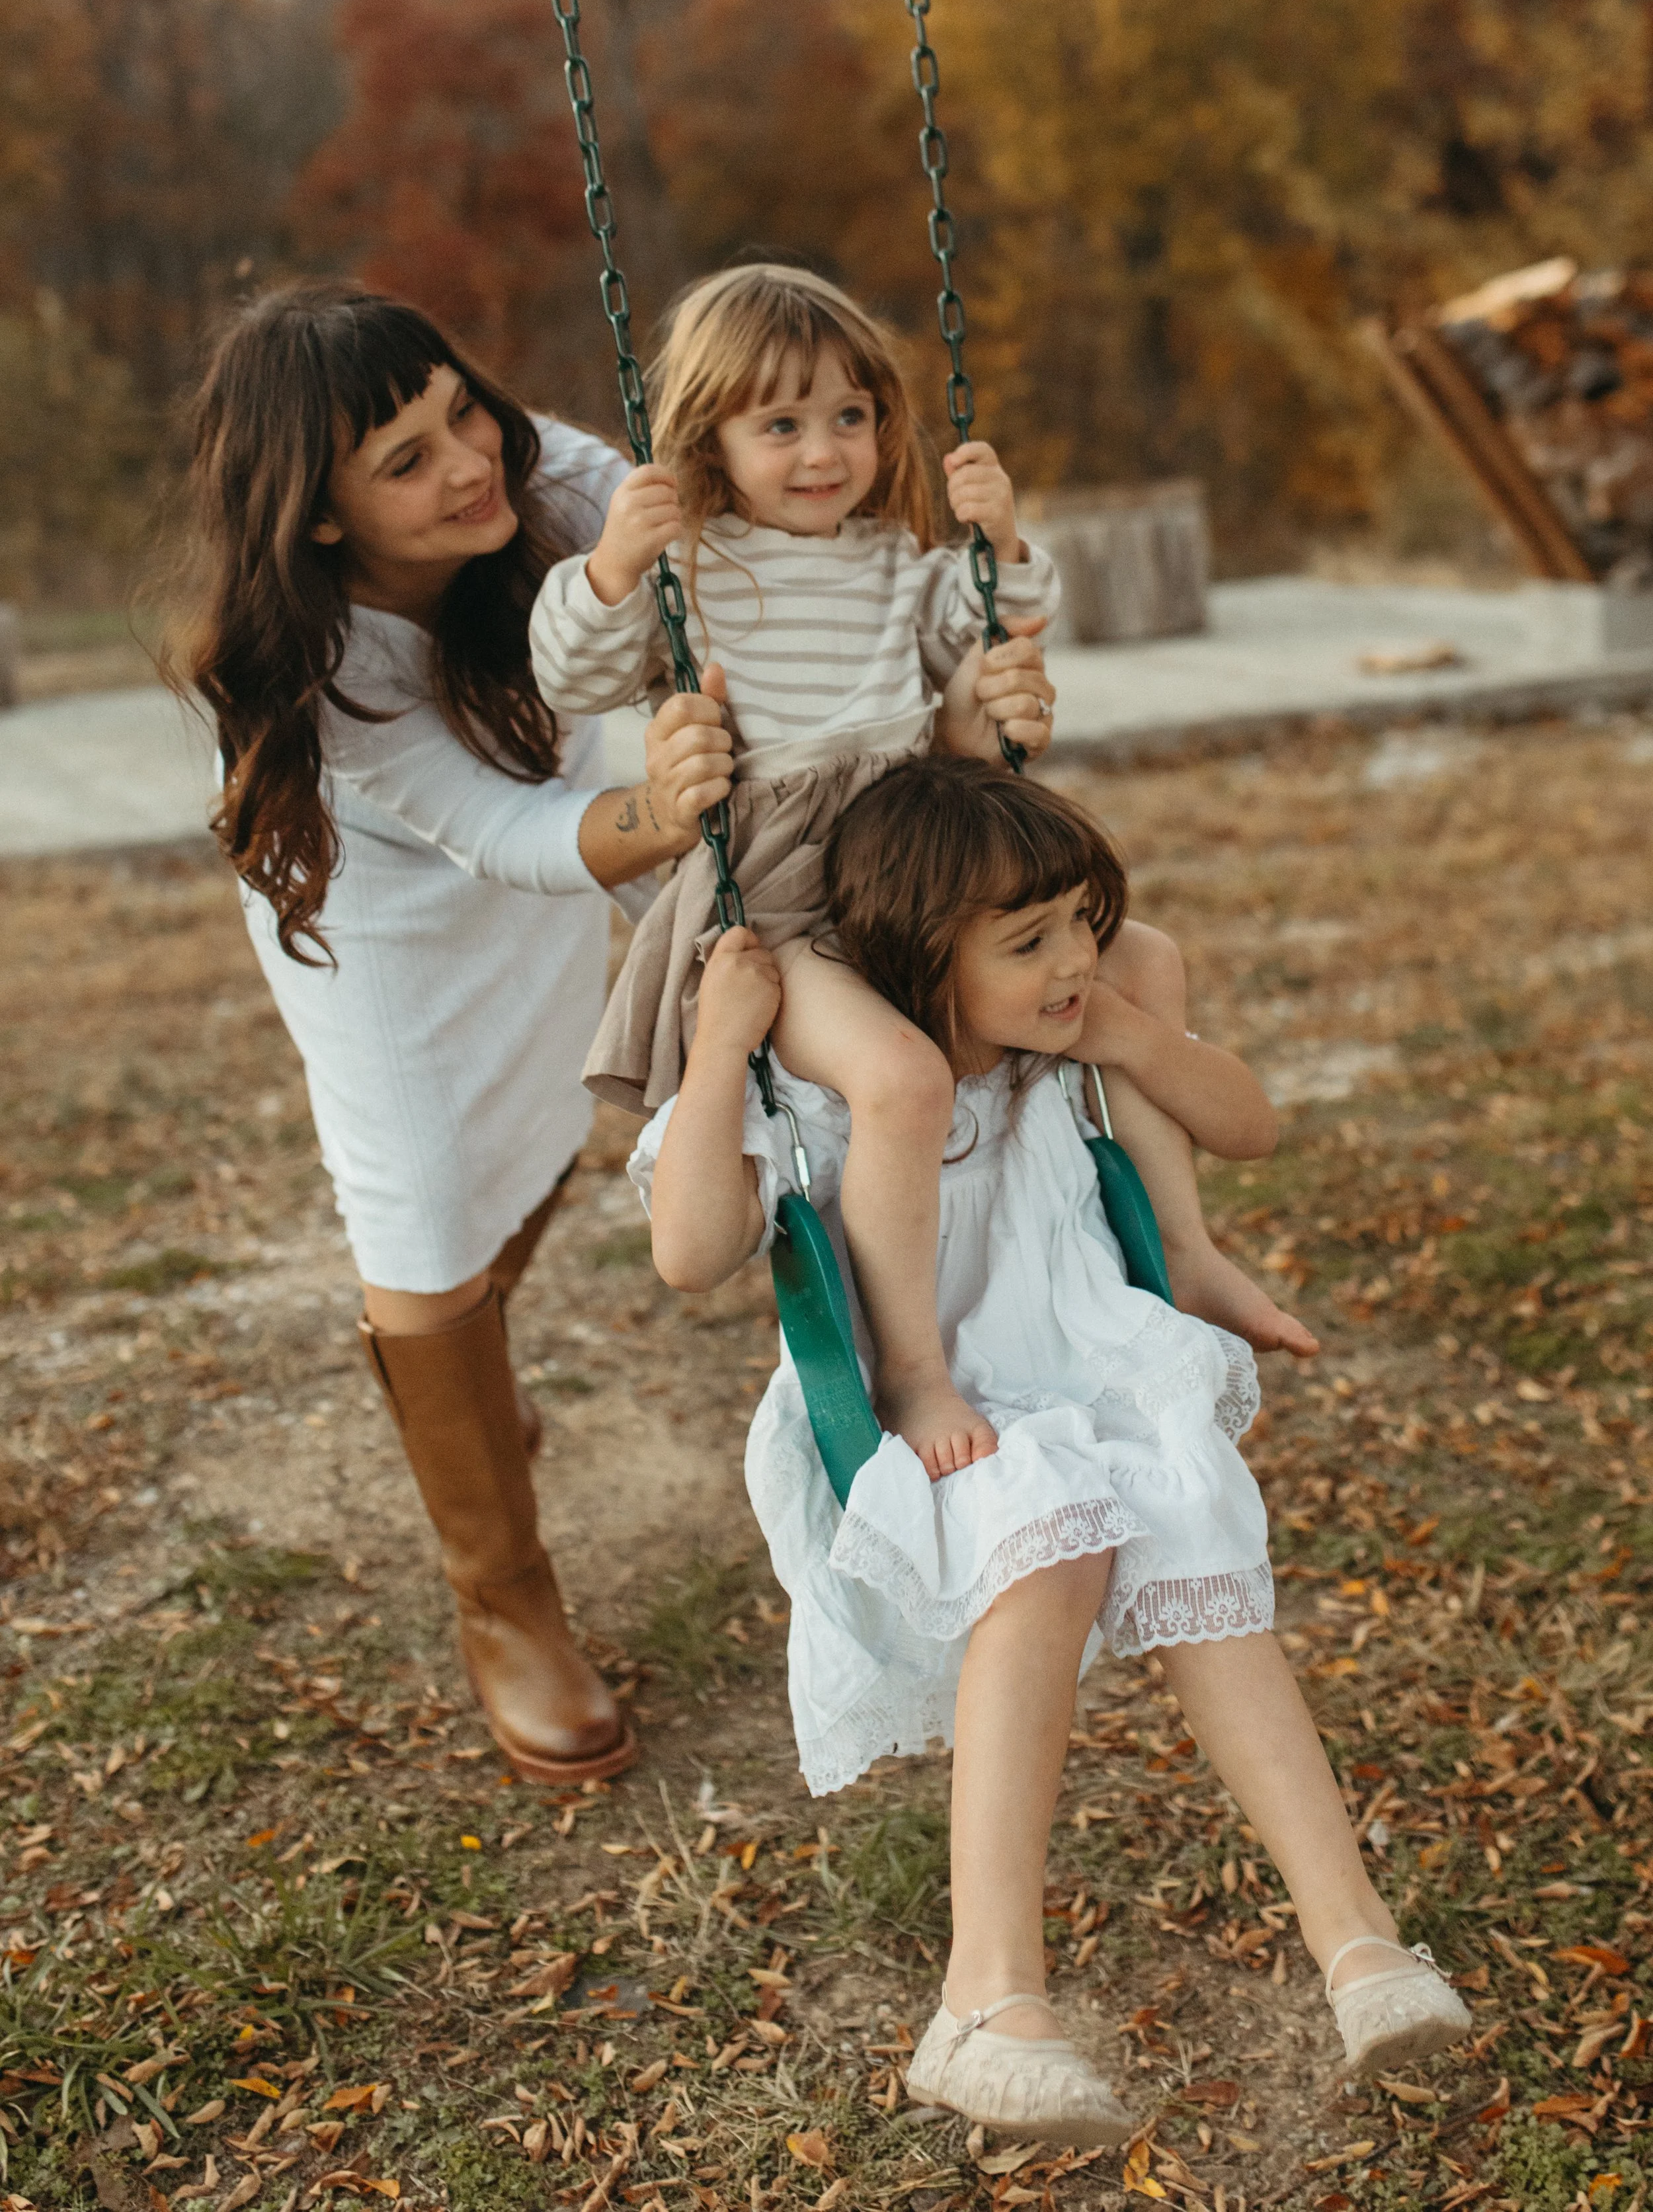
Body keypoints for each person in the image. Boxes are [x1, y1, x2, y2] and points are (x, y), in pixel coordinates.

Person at [631, 757, 1469, 2147]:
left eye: (1081, 920)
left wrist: (1132, 1038)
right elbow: (687, 1254)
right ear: (914, 955)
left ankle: (1358, 1943)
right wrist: (720, 1047)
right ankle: (983, 1995)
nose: (1073, 960)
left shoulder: (1060, 1054)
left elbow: (1246, 1126)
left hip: (1084, 1381)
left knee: (1203, 1549)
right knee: (1056, 1545)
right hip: (922, 1416)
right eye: (1026, 943)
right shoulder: (830, 1091)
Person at [532, 263, 1312, 1495]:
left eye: (850, 415)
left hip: (911, 855)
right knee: (899, 1075)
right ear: (711, 440)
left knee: (1144, 959)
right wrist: (614, 567)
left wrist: (1000, 540)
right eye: (779, 424)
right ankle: (912, 1364)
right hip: (789, 901)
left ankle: (1188, 1247)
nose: (822, 449)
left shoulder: (891, 561)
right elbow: (571, 674)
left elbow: (993, 616)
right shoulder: (694, 569)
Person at [161, 282, 735, 1787]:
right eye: (404, 462)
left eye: (455, 413)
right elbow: (503, 828)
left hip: (546, 884)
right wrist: (662, 810)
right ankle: (505, 1596)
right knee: (422, 1215)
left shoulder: (526, 468)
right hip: (392, 939)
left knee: (537, 1139)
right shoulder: (330, 663)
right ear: (325, 516)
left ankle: (465, 1396)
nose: (465, 463)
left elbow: (668, 521)